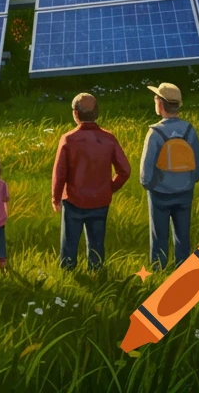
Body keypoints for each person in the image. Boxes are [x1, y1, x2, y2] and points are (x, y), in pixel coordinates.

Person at [51, 93, 130, 270]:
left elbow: (60, 174)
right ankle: (96, 272)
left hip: (73, 200)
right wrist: (110, 187)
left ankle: (68, 273)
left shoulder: (68, 139)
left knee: (69, 243)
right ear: (97, 113)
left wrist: (55, 198)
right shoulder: (109, 138)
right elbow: (125, 170)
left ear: (75, 114)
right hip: (100, 200)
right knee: (97, 244)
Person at [140, 82, 199, 268]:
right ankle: (183, 270)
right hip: (185, 191)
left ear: (160, 104)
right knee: (183, 236)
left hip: (159, 193)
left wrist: (151, 185)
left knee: (159, 236)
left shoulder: (154, 133)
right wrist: (188, 181)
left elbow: (145, 173)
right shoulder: (189, 130)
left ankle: (158, 271)